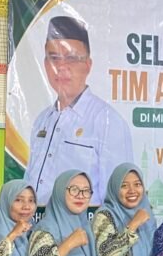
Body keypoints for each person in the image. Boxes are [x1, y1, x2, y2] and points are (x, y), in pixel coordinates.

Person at [25, 15, 133, 207]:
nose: (61, 67)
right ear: (45, 64)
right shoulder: (43, 120)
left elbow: (118, 199)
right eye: (54, 58)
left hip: (83, 225)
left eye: (72, 58)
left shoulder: (107, 121)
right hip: (35, 222)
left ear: (88, 65)